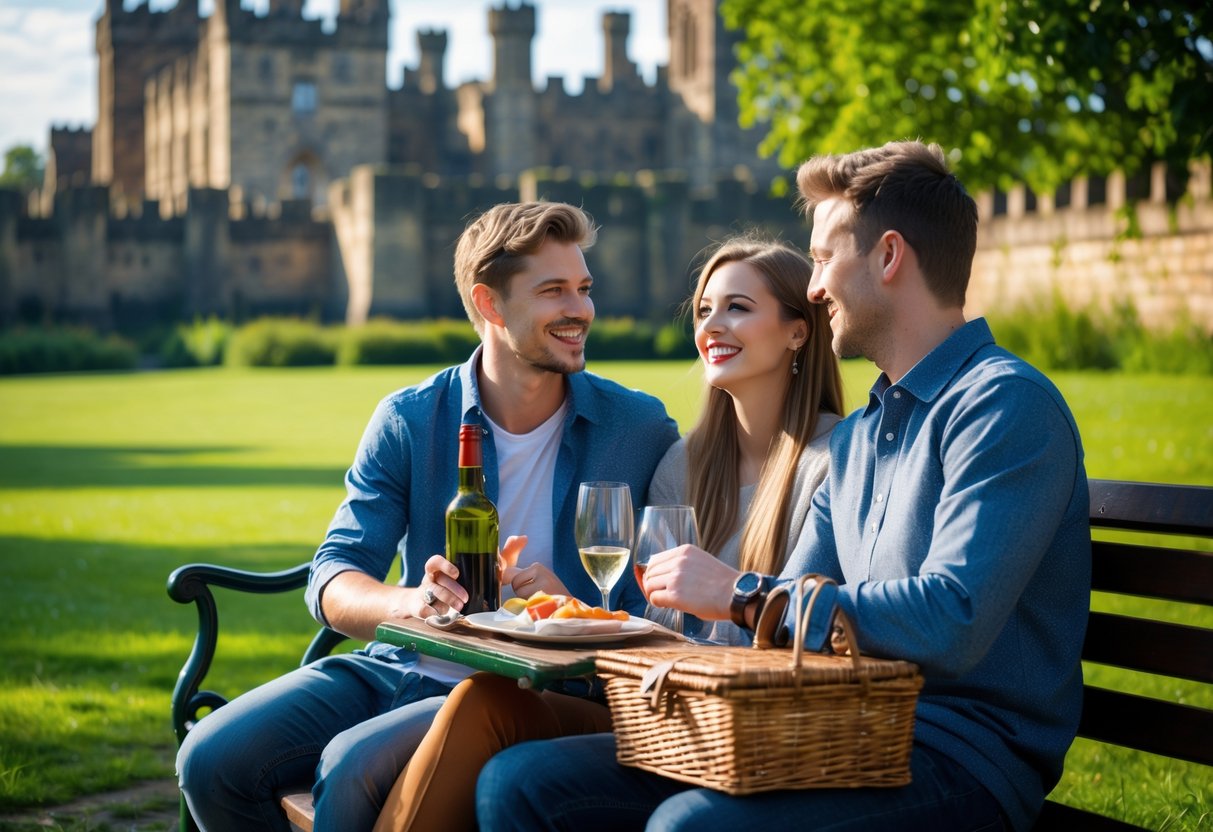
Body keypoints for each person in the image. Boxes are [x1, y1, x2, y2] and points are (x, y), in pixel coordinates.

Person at [474, 141, 1091, 832]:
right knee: (521, 783)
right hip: (826, 728)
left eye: (825, 258)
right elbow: (778, 635)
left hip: (959, 756)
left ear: (888, 257)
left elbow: (951, 621)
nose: (816, 284)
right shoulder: (858, 439)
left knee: (690, 827)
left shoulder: (1002, 406)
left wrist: (737, 591)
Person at [175, 201, 680, 831]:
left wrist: (570, 609)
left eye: (583, 288)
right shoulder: (411, 419)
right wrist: (411, 602)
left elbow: (666, 606)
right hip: (399, 669)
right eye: (554, 291)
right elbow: (334, 575)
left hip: (533, 693)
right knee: (211, 759)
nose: (581, 309)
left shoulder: (638, 427)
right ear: (490, 305)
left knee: (349, 766)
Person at [372, 236, 846, 831]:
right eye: (703, 310)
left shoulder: (835, 460)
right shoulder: (682, 464)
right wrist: (570, 608)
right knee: (484, 701)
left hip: (749, 728)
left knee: (503, 764)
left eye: (738, 307)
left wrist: (727, 596)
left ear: (798, 331)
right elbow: (655, 625)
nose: (712, 326)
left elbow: (812, 631)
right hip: (666, 710)